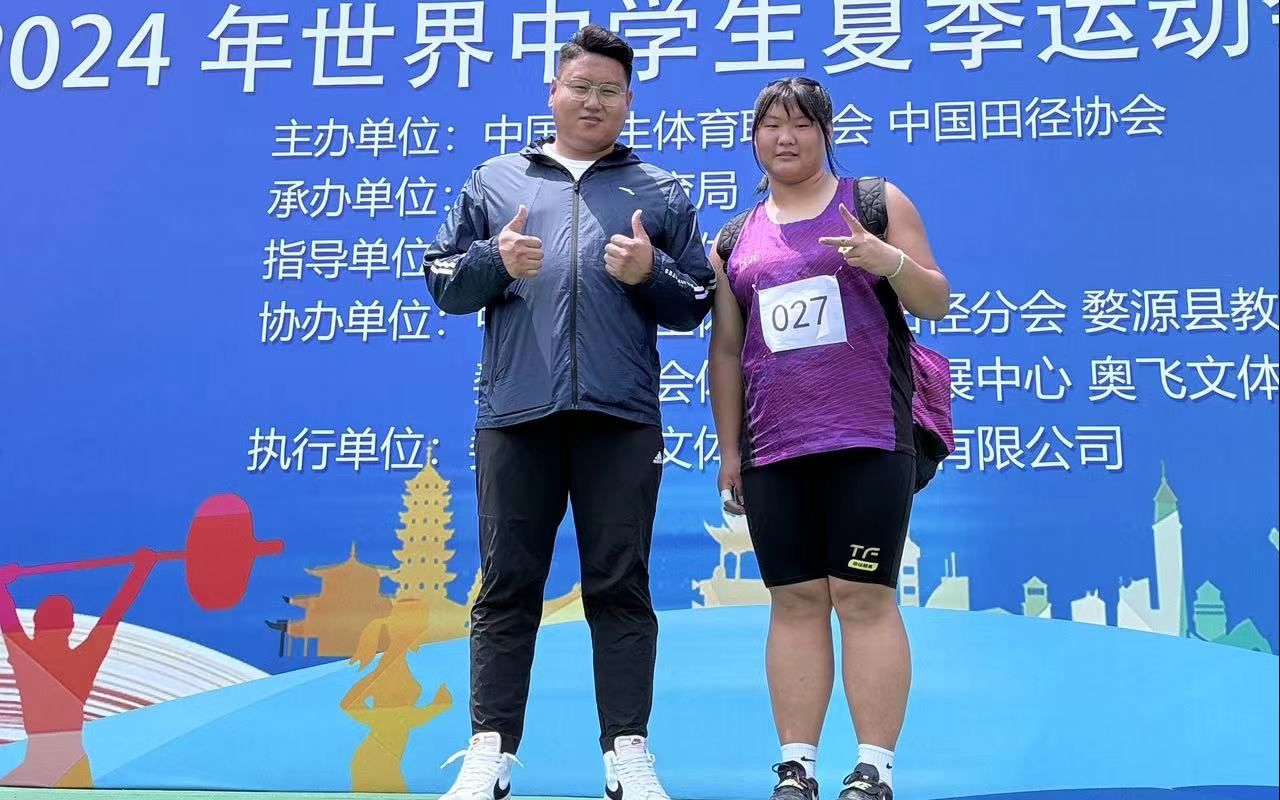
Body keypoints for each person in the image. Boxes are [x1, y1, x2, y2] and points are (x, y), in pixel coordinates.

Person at [422, 24, 714, 800]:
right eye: (580, 86)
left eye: (609, 90)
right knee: (506, 585)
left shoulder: (660, 190)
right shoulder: (495, 180)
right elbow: (443, 281)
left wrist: (651, 272)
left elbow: (696, 300)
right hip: (515, 414)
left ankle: (627, 756)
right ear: (553, 91)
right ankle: (489, 753)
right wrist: (493, 260)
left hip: (621, 418)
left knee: (620, 586)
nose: (593, 101)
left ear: (629, 101)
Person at [707, 77, 951, 800]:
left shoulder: (875, 202)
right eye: (771, 126)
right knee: (794, 600)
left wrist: (888, 261)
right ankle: (797, 769)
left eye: (801, 125)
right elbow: (728, 350)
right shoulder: (733, 239)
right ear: (754, 138)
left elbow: (935, 299)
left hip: (868, 436)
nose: (785, 138)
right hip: (775, 447)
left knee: (863, 595)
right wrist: (731, 450)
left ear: (826, 133)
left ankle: (873, 769)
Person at [1, 550, 158, 788]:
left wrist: (3, 582)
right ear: (71, 625)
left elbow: (6, 613)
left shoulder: (25, 657)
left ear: (35, 622)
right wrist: (142, 570)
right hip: (70, 767)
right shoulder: (82, 659)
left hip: (48, 768)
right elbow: (116, 611)